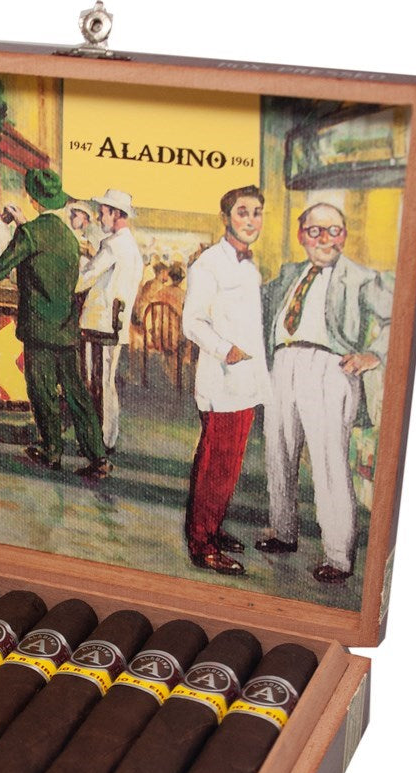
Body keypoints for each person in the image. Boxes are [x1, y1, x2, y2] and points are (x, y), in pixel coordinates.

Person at [256, 202, 393, 583]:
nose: (325, 240)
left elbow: (400, 315)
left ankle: (338, 555)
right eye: (316, 231)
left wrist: (372, 355)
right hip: (284, 364)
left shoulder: (361, 278)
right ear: (302, 235)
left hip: (330, 369)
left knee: (329, 463)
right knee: (278, 453)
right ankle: (283, 531)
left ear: (344, 236)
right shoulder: (290, 273)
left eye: (334, 231)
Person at [0, 168, 110, 479]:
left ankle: (52, 450)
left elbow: (2, 265)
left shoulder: (30, 232)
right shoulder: (68, 237)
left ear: (33, 200)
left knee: (42, 390)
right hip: (66, 327)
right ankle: (98, 457)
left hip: (38, 326)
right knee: (76, 392)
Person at [182, 184, 270, 575]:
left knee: (228, 465)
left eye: (256, 212)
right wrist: (226, 349)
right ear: (225, 218)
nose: (251, 220)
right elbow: (192, 322)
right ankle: (202, 544)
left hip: (246, 383)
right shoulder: (208, 265)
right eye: (242, 212)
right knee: (215, 466)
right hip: (222, 380)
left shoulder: (250, 267)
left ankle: (212, 529)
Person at [76, 189, 141, 452]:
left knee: (96, 383)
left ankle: (99, 441)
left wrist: (77, 265)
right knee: (107, 381)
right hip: (115, 325)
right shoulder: (131, 247)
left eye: (103, 212)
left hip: (99, 323)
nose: (100, 217)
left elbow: (85, 278)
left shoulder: (113, 245)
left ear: (115, 214)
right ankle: (107, 438)